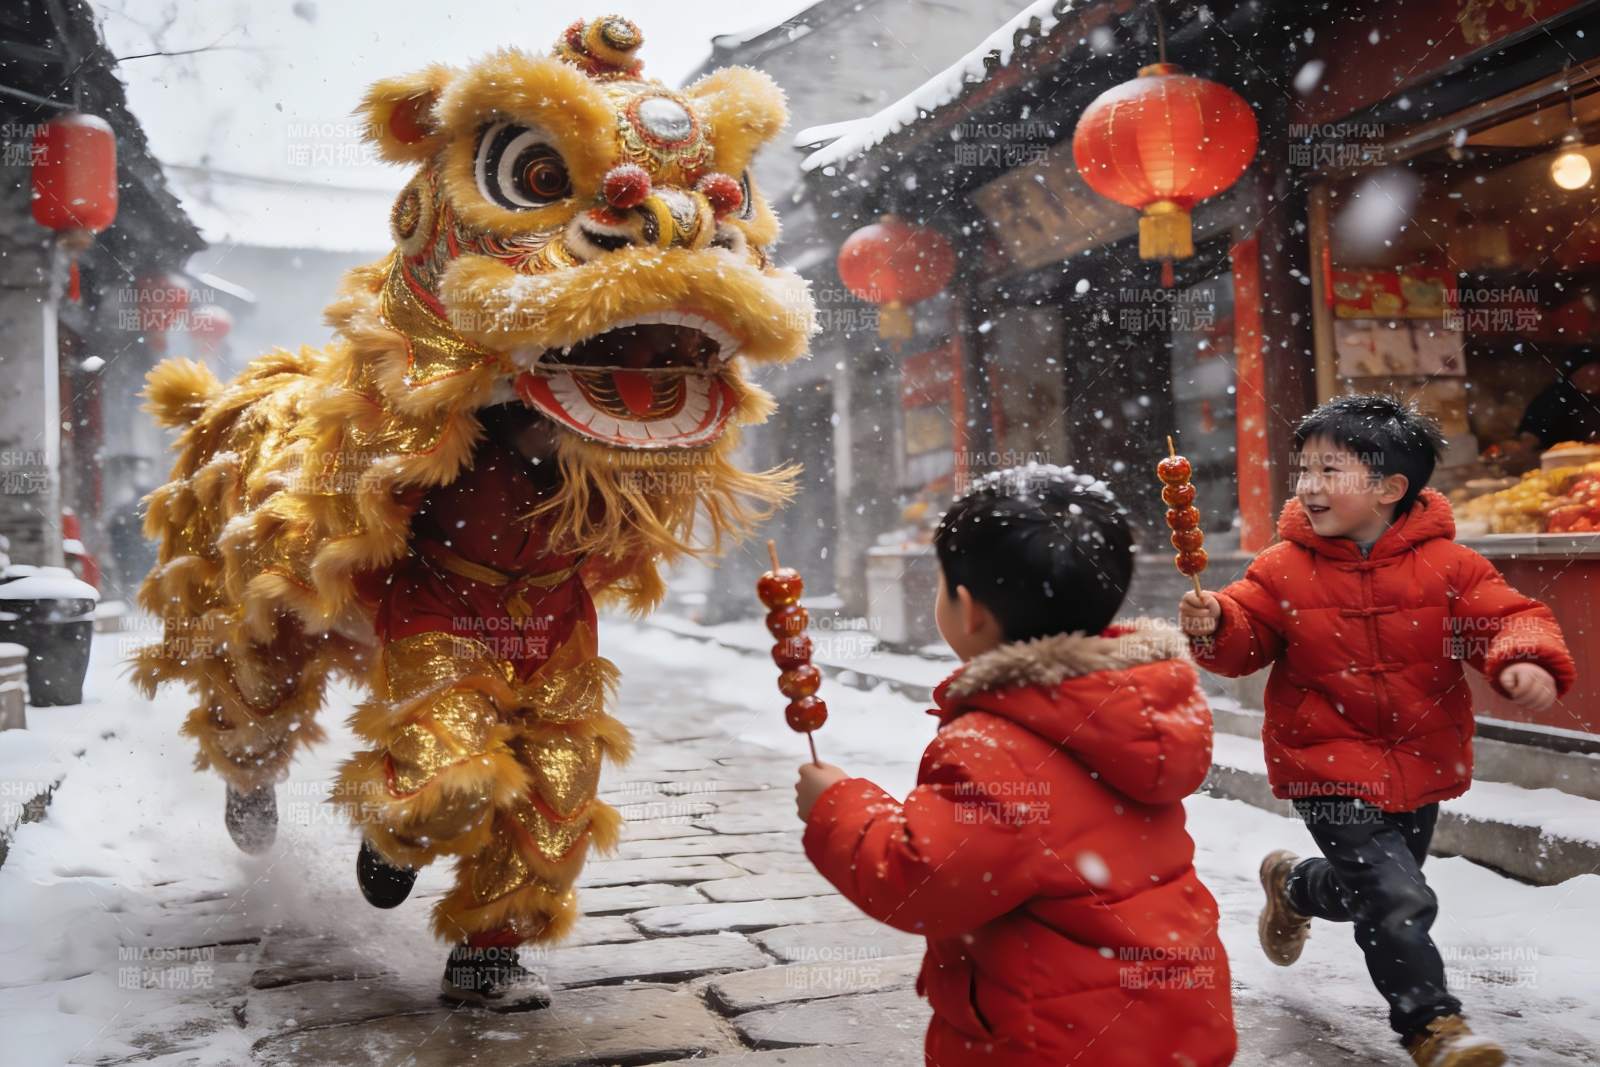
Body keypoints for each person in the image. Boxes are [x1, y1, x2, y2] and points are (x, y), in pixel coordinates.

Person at [1179, 394, 1574, 1067]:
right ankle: (1433, 1024)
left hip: (1420, 759)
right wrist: (1217, 622)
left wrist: (1523, 656)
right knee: (1397, 894)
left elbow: (1510, 616)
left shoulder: (1450, 565)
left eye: (1329, 470)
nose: (1309, 485)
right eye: (1304, 470)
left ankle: (1295, 885)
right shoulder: (1281, 567)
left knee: (1371, 889)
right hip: (1325, 764)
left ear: (1390, 488)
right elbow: (1246, 640)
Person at [796, 466, 1236, 1067]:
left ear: (968, 609)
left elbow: (919, 881)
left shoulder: (994, 748)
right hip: (1176, 1019)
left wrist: (837, 805)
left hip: (1055, 1040)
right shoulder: (1134, 707)